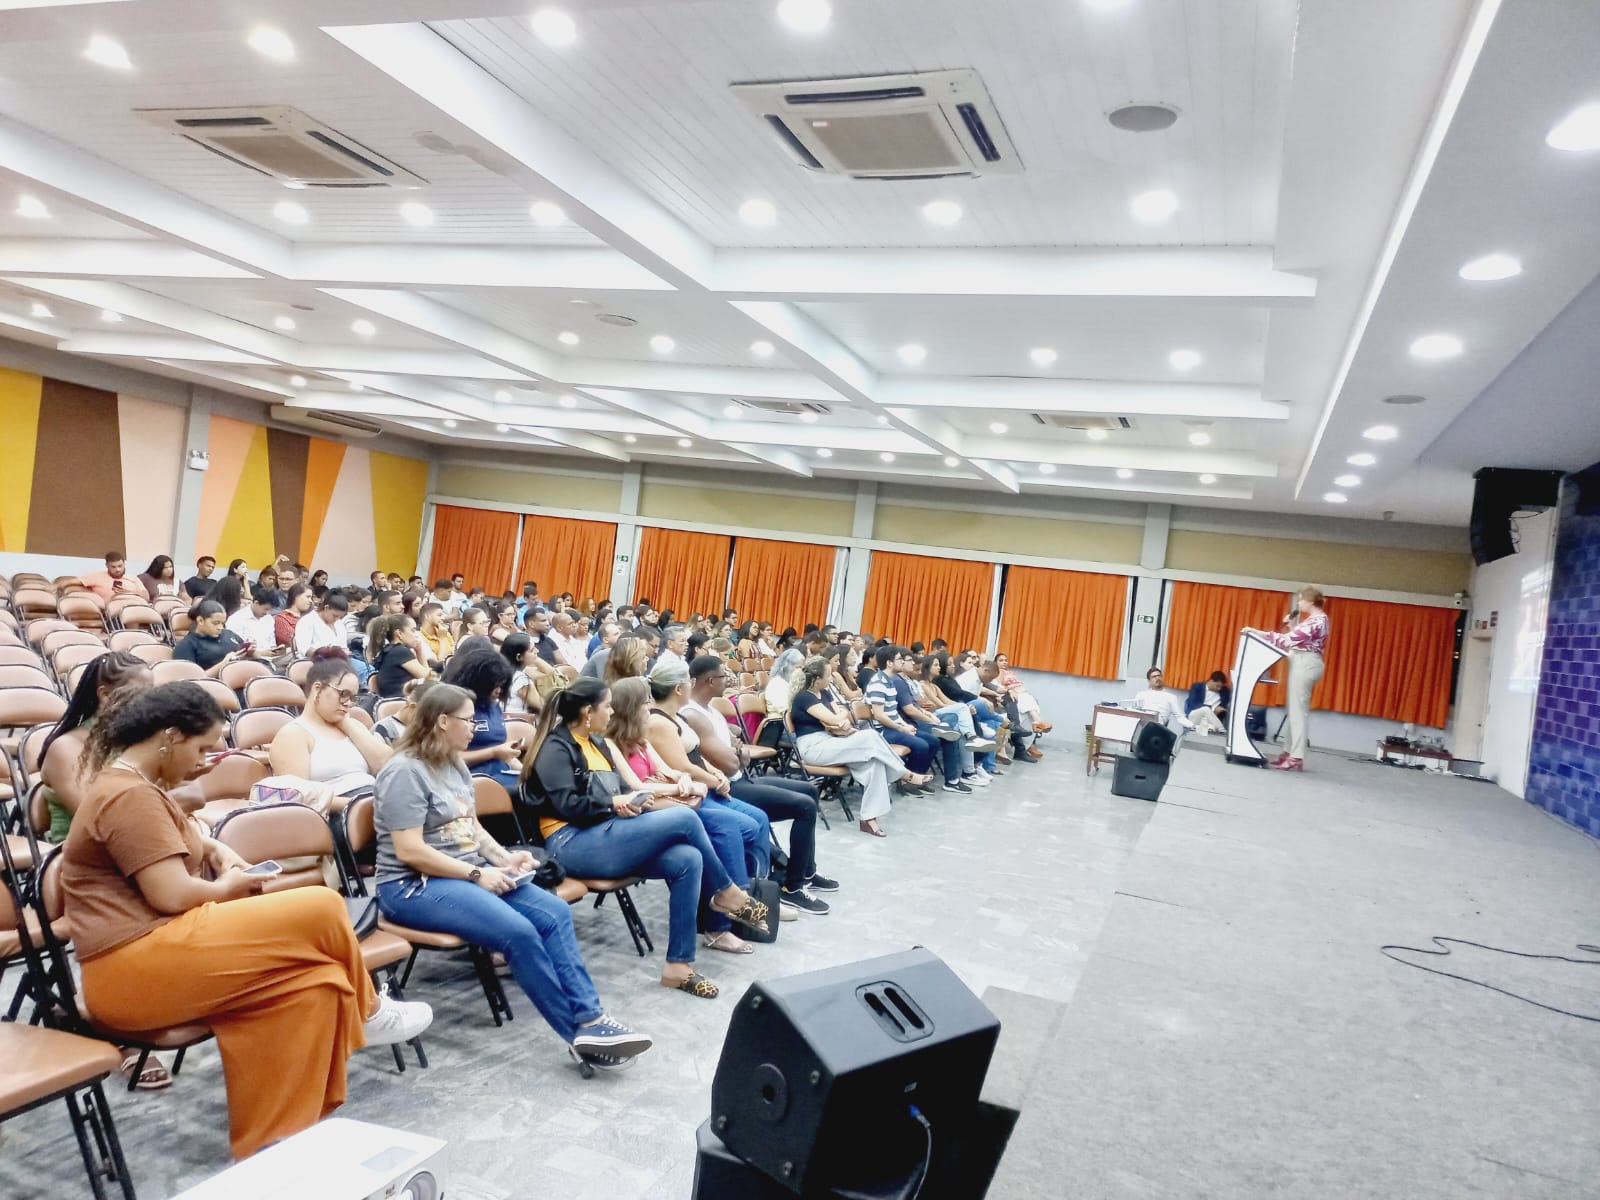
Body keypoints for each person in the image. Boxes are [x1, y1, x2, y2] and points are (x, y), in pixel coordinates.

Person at [62, 682, 432, 1160]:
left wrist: (216, 848)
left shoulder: (136, 787)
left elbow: (184, 837)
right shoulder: (127, 796)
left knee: (316, 986)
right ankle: (370, 1011)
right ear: (169, 737)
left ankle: (275, 1147)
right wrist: (229, 888)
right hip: (132, 965)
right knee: (319, 906)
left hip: (159, 953)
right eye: (201, 748)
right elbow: (173, 894)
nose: (205, 761)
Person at [373, 683, 649, 1068]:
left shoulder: (453, 763)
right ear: (441, 721)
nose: (476, 727)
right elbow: (410, 851)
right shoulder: (404, 772)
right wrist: (475, 874)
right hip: (411, 886)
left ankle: (592, 1018)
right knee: (518, 932)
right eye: (468, 720)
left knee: (555, 912)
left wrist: (504, 858)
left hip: (463, 873)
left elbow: (471, 828)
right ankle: (577, 1035)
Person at [522, 677, 769, 998]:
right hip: (570, 841)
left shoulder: (596, 742)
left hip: (603, 833)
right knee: (684, 816)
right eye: (606, 706)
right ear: (587, 711)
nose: (611, 712)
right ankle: (726, 892)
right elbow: (567, 804)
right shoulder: (556, 747)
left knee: (687, 859)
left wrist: (633, 799)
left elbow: (621, 789)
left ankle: (677, 967)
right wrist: (613, 803)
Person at [679, 655, 837, 915]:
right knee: (804, 806)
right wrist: (737, 753)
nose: (728, 681)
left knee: (809, 790)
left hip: (741, 777)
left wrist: (737, 752)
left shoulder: (712, 710)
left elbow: (739, 751)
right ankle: (793, 888)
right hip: (727, 788)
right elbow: (732, 763)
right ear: (710, 680)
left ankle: (806, 872)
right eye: (723, 676)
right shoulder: (693, 715)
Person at [789, 656, 930, 837]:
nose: (832, 678)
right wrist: (840, 718)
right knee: (870, 735)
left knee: (875, 764)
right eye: (829, 675)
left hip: (831, 739)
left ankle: (868, 819)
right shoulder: (804, 697)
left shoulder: (824, 693)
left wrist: (842, 719)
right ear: (817, 679)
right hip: (813, 748)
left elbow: (844, 713)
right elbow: (834, 718)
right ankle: (904, 774)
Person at [39, 653, 151, 843]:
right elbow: (98, 818)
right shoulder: (66, 748)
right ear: (105, 695)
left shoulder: (139, 737)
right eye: (142, 694)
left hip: (139, 841)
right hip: (84, 854)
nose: (151, 703)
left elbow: (191, 795)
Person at [268, 649, 392, 786]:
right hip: (341, 805)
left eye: (353, 697)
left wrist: (347, 725)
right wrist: (356, 805)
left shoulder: (353, 726)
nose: (349, 703)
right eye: (343, 694)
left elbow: (388, 767)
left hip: (374, 798)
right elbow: (300, 797)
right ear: (317, 689)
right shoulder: (293, 734)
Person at [1248, 587, 1329, 771]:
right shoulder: (1313, 621)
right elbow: (1296, 638)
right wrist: (1293, 624)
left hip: (1306, 664)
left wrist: (1257, 632)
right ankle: (1289, 751)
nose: (1299, 603)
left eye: (1301, 600)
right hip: (1300, 661)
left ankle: (1297, 756)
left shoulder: (1317, 620)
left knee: (1298, 712)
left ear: (1310, 602)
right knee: (1293, 710)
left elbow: (1287, 641)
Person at [867, 645, 967, 794]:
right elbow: (879, 715)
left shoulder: (889, 681)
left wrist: (904, 725)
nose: (904, 662)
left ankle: (915, 778)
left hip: (894, 726)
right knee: (921, 745)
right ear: (889, 663)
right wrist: (902, 728)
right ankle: (907, 781)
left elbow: (893, 712)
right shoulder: (878, 683)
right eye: (900, 659)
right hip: (882, 730)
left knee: (933, 741)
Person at [441, 645, 523, 794]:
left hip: (501, 773)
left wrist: (526, 773)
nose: (499, 690)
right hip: (469, 779)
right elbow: (447, 758)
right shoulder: (456, 709)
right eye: (494, 685)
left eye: (502, 685)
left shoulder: (494, 706)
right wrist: (493, 753)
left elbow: (503, 753)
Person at [172, 599, 249, 676]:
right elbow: (190, 680)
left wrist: (250, 652)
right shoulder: (186, 645)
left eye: (223, 623)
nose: (220, 627)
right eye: (215, 623)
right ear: (200, 620)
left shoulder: (228, 634)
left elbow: (244, 652)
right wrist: (224, 664)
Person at [367, 614, 430, 700]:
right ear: (399, 633)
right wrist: (420, 650)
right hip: (401, 701)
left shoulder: (389, 650)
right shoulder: (400, 652)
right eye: (413, 630)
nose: (416, 634)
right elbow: (427, 677)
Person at [1133, 667, 1193, 741]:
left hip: (1158, 731)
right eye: (1154, 677)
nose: (1157, 678)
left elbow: (1180, 717)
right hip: (1142, 729)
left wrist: (1193, 726)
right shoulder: (1141, 695)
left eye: (1159, 676)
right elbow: (1135, 713)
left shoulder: (1171, 697)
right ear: (1149, 681)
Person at [225, 582, 279, 657]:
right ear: (256, 603)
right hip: (247, 659)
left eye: (270, 610)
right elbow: (235, 648)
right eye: (266, 609)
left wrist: (276, 650)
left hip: (270, 658)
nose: (267, 613)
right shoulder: (237, 619)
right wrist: (261, 653)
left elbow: (272, 643)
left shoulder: (269, 619)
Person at [81, 550, 148, 603]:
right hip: (112, 612)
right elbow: (74, 582)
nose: (117, 570)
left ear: (124, 564)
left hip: (136, 609)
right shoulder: (96, 576)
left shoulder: (133, 578)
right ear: (107, 565)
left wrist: (129, 593)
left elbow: (146, 597)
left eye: (120, 566)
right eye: (113, 567)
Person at [1186, 671, 1231, 735]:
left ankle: (1218, 730)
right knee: (1206, 709)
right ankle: (1222, 731)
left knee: (1211, 728)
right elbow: (1193, 704)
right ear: (1211, 681)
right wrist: (1213, 708)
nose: (1219, 688)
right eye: (1217, 686)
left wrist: (1216, 712)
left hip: (1211, 720)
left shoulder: (1224, 691)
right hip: (1195, 716)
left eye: (1221, 687)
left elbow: (1223, 708)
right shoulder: (1197, 687)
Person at [275, 582, 315, 650]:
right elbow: (295, 642)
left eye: (311, 598)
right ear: (296, 596)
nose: (310, 601)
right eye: (307, 597)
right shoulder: (282, 618)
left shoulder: (311, 617)